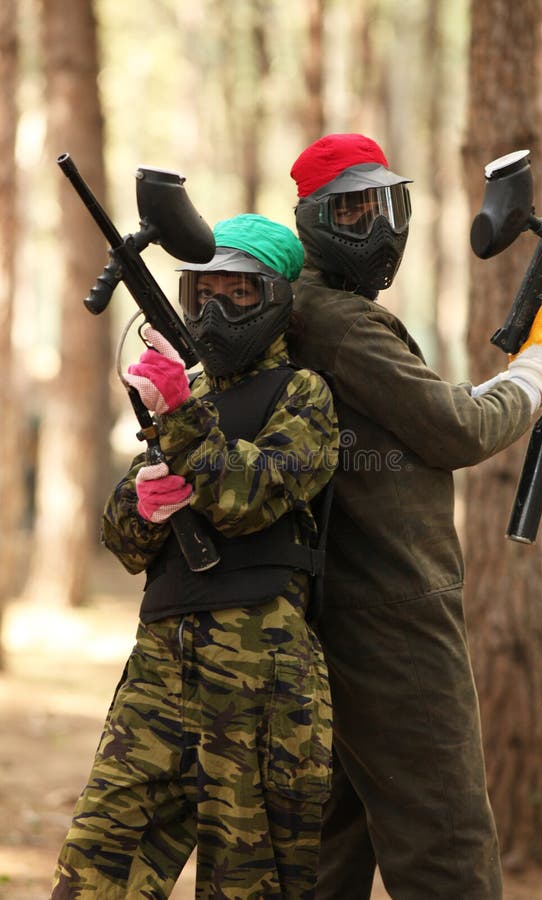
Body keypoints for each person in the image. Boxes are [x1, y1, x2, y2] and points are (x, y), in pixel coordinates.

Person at [287, 132, 542, 900]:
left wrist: (517, 375)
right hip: (392, 617)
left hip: (330, 610)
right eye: (351, 210)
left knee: (330, 857)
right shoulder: (339, 320)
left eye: (382, 205)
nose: (377, 227)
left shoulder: (308, 310)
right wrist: (536, 368)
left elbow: (417, 412)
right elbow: (454, 429)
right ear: (313, 221)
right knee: (447, 852)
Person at [50, 214, 339, 899]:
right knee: (97, 860)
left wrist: (179, 416)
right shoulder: (191, 393)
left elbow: (252, 496)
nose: (217, 309)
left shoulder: (303, 395)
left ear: (275, 299)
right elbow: (121, 543)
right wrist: (143, 505)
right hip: (161, 666)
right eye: (203, 292)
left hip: (262, 677)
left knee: (252, 883)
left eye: (238, 293)